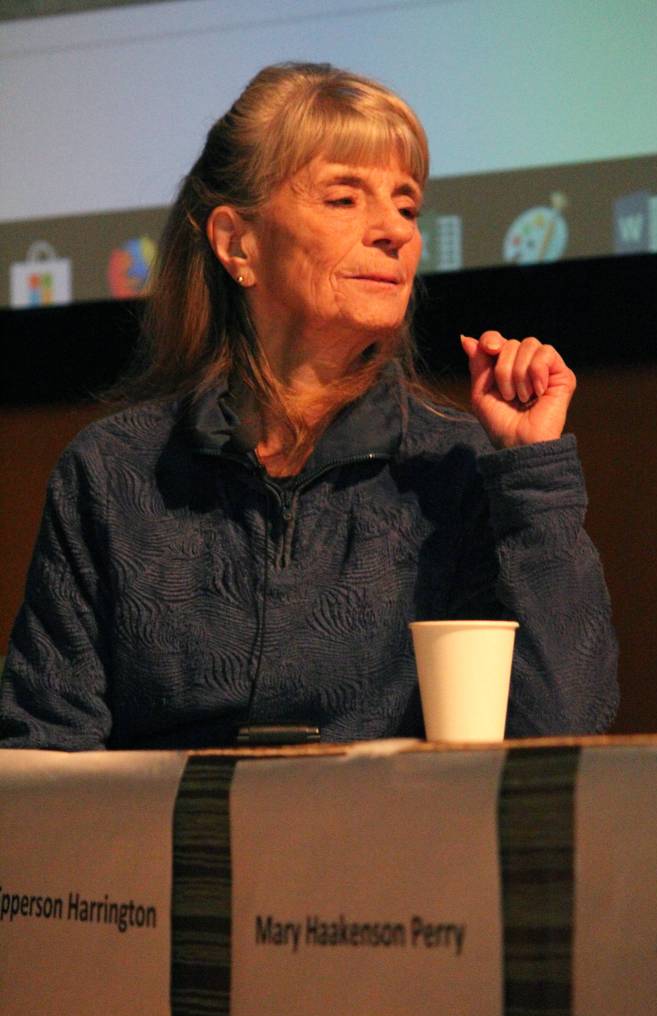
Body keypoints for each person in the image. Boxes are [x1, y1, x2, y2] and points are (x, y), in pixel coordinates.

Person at [0, 62, 618, 750]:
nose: (395, 231)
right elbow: (45, 752)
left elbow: (561, 731)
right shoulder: (115, 472)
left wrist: (531, 473)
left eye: (407, 206)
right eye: (344, 198)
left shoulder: (457, 468)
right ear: (239, 242)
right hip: (169, 854)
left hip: (393, 853)